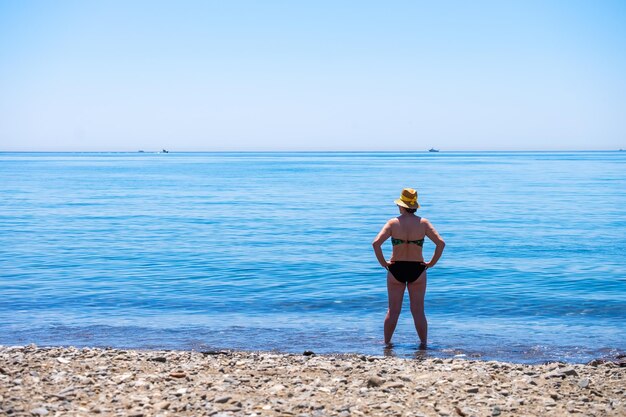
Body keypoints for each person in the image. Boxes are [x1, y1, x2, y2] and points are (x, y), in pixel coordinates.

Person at [372, 188, 445, 348]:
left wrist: (383, 263)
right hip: (417, 269)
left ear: (401, 205)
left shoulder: (393, 223)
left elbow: (376, 244)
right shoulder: (423, 223)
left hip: (396, 268)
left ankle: (387, 344)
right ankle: (424, 344)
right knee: (418, 311)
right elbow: (441, 243)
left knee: (393, 311)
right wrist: (431, 263)